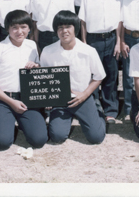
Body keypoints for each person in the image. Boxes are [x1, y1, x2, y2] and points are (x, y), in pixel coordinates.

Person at [0, 10, 48, 150]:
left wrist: (36, 66)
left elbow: (39, 73)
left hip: (28, 99)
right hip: (5, 100)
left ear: (30, 28)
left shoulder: (31, 46)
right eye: (15, 27)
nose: (19, 31)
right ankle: (5, 122)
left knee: (39, 140)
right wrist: (11, 102)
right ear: (7, 29)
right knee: (2, 142)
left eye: (23, 27)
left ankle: (23, 123)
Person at [41, 11, 106, 144]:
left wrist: (84, 94)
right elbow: (44, 77)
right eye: (60, 28)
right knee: (57, 137)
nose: (64, 31)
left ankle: (97, 111)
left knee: (96, 137)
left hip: (82, 97)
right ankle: (64, 118)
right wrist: (48, 98)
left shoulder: (89, 51)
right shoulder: (48, 51)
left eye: (68, 27)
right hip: (59, 100)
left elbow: (99, 77)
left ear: (75, 29)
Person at [78, 0, 122, 123]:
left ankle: (110, 110)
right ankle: (95, 108)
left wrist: (118, 41)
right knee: (93, 75)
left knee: (111, 75)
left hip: (110, 39)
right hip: (93, 40)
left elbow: (119, 21)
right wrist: (83, 42)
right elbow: (82, 21)